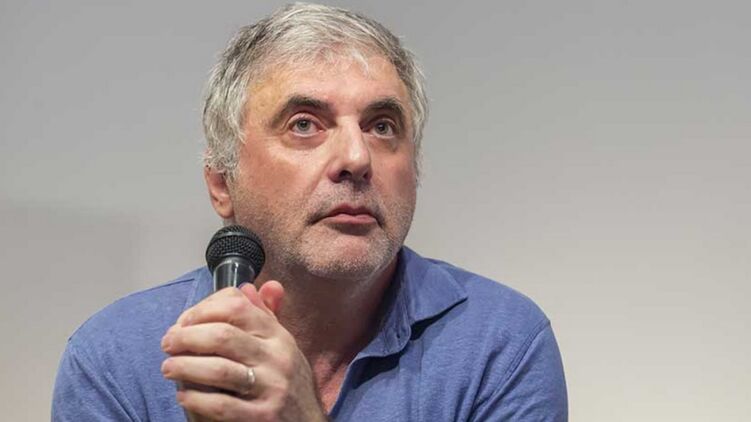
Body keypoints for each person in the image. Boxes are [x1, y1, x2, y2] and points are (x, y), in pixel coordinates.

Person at [52, 3, 567, 421]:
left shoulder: (500, 342)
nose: (357, 158)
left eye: (382, 126)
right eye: (304, 124)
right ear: (222, 183)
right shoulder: (114, 359)